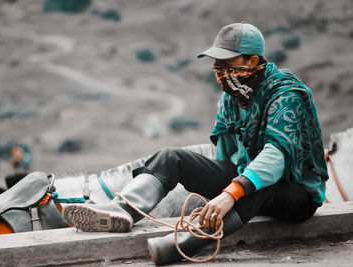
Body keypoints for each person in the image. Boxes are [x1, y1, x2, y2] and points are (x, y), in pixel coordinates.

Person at [63, 22, 328, 265]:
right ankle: (123, 211)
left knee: (264, 182)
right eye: (217, 62)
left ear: (253, 60)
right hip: (243, 184)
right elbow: (226, 158)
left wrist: (229, 194)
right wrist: (217, 189)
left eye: (227, 62)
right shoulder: (229, 99)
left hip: (295, 194)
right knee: (170, 157)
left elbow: (277, 157)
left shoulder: (285, 95)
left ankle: (191, 241)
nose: (220, 70)